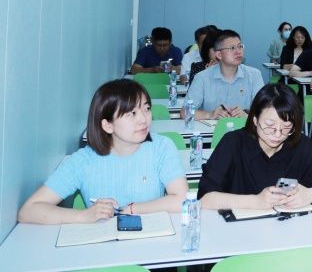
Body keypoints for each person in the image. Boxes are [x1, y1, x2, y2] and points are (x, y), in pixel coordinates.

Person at [17, 79, 187, 224]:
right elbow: (28, 211)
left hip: (151, 245)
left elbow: (182, 199)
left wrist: (132, 209)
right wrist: (83, 216)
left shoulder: (161, 147)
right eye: (132, 113)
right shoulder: (83, 160)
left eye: (146, 108)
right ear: (107, 125)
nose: (144, 119)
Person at [198, 83, 312, 210]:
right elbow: (205, 199)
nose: (277, 134)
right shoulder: (233, 143)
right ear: (255, 119)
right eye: (270, 125)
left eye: (286, 127)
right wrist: (256, 201)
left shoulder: (301, 145)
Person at [186, 29, 265, 120]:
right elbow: (185, 111)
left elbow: (264, 111)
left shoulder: (254, 75)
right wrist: (210, 115)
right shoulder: (202, 77)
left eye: (240, 46)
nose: (238, 51)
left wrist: (247, 116)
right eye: (232, 48)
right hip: (212, 129)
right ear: (219, 55)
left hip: (243, 128)